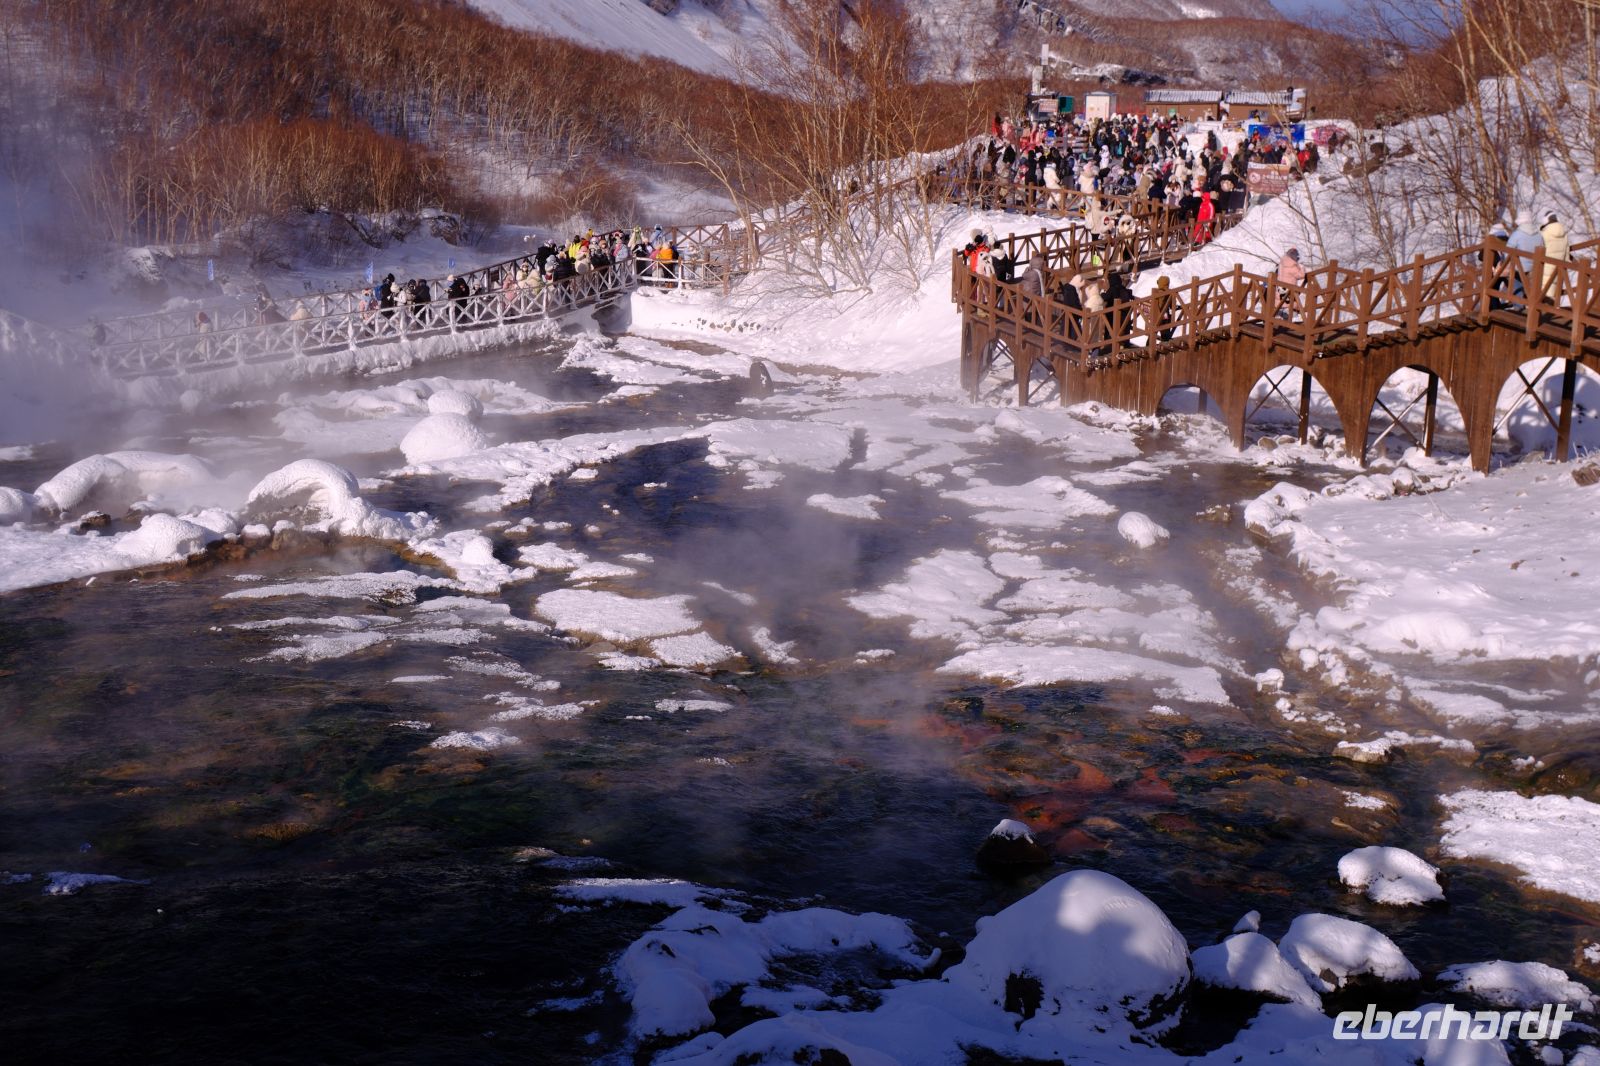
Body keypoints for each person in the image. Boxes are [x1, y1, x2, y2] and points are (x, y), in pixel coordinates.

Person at [1506, 210, 1543, 299]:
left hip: (1519, 267)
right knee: (1531, 288)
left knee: (1511, 279)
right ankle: (1531, 304)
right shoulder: (1539, 234)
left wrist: (1505, 263)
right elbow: (1543, 248)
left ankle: (1519, 304)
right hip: (1535, 267)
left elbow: (1507, 250)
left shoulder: (1517, 234)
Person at [1539, 211, 1570, 302]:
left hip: (1546, 263)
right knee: (1552, 286)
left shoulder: (1545, 232)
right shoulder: (1564, 231)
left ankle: (1542, 309)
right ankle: (1551, 305)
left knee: (1544, 285)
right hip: (1559, 264)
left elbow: (1539, 246)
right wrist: (1566, 261)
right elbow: (1567, 249)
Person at [1276, 247, 1306, 320]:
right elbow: (1301, 275)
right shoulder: (1292, 265)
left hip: (1281, 286)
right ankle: (1287, 316)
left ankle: (1279, 313)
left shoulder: (1282, 263)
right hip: (1289, 287)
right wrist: (1302, 267)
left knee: (1281, 301)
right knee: (1288, 304)